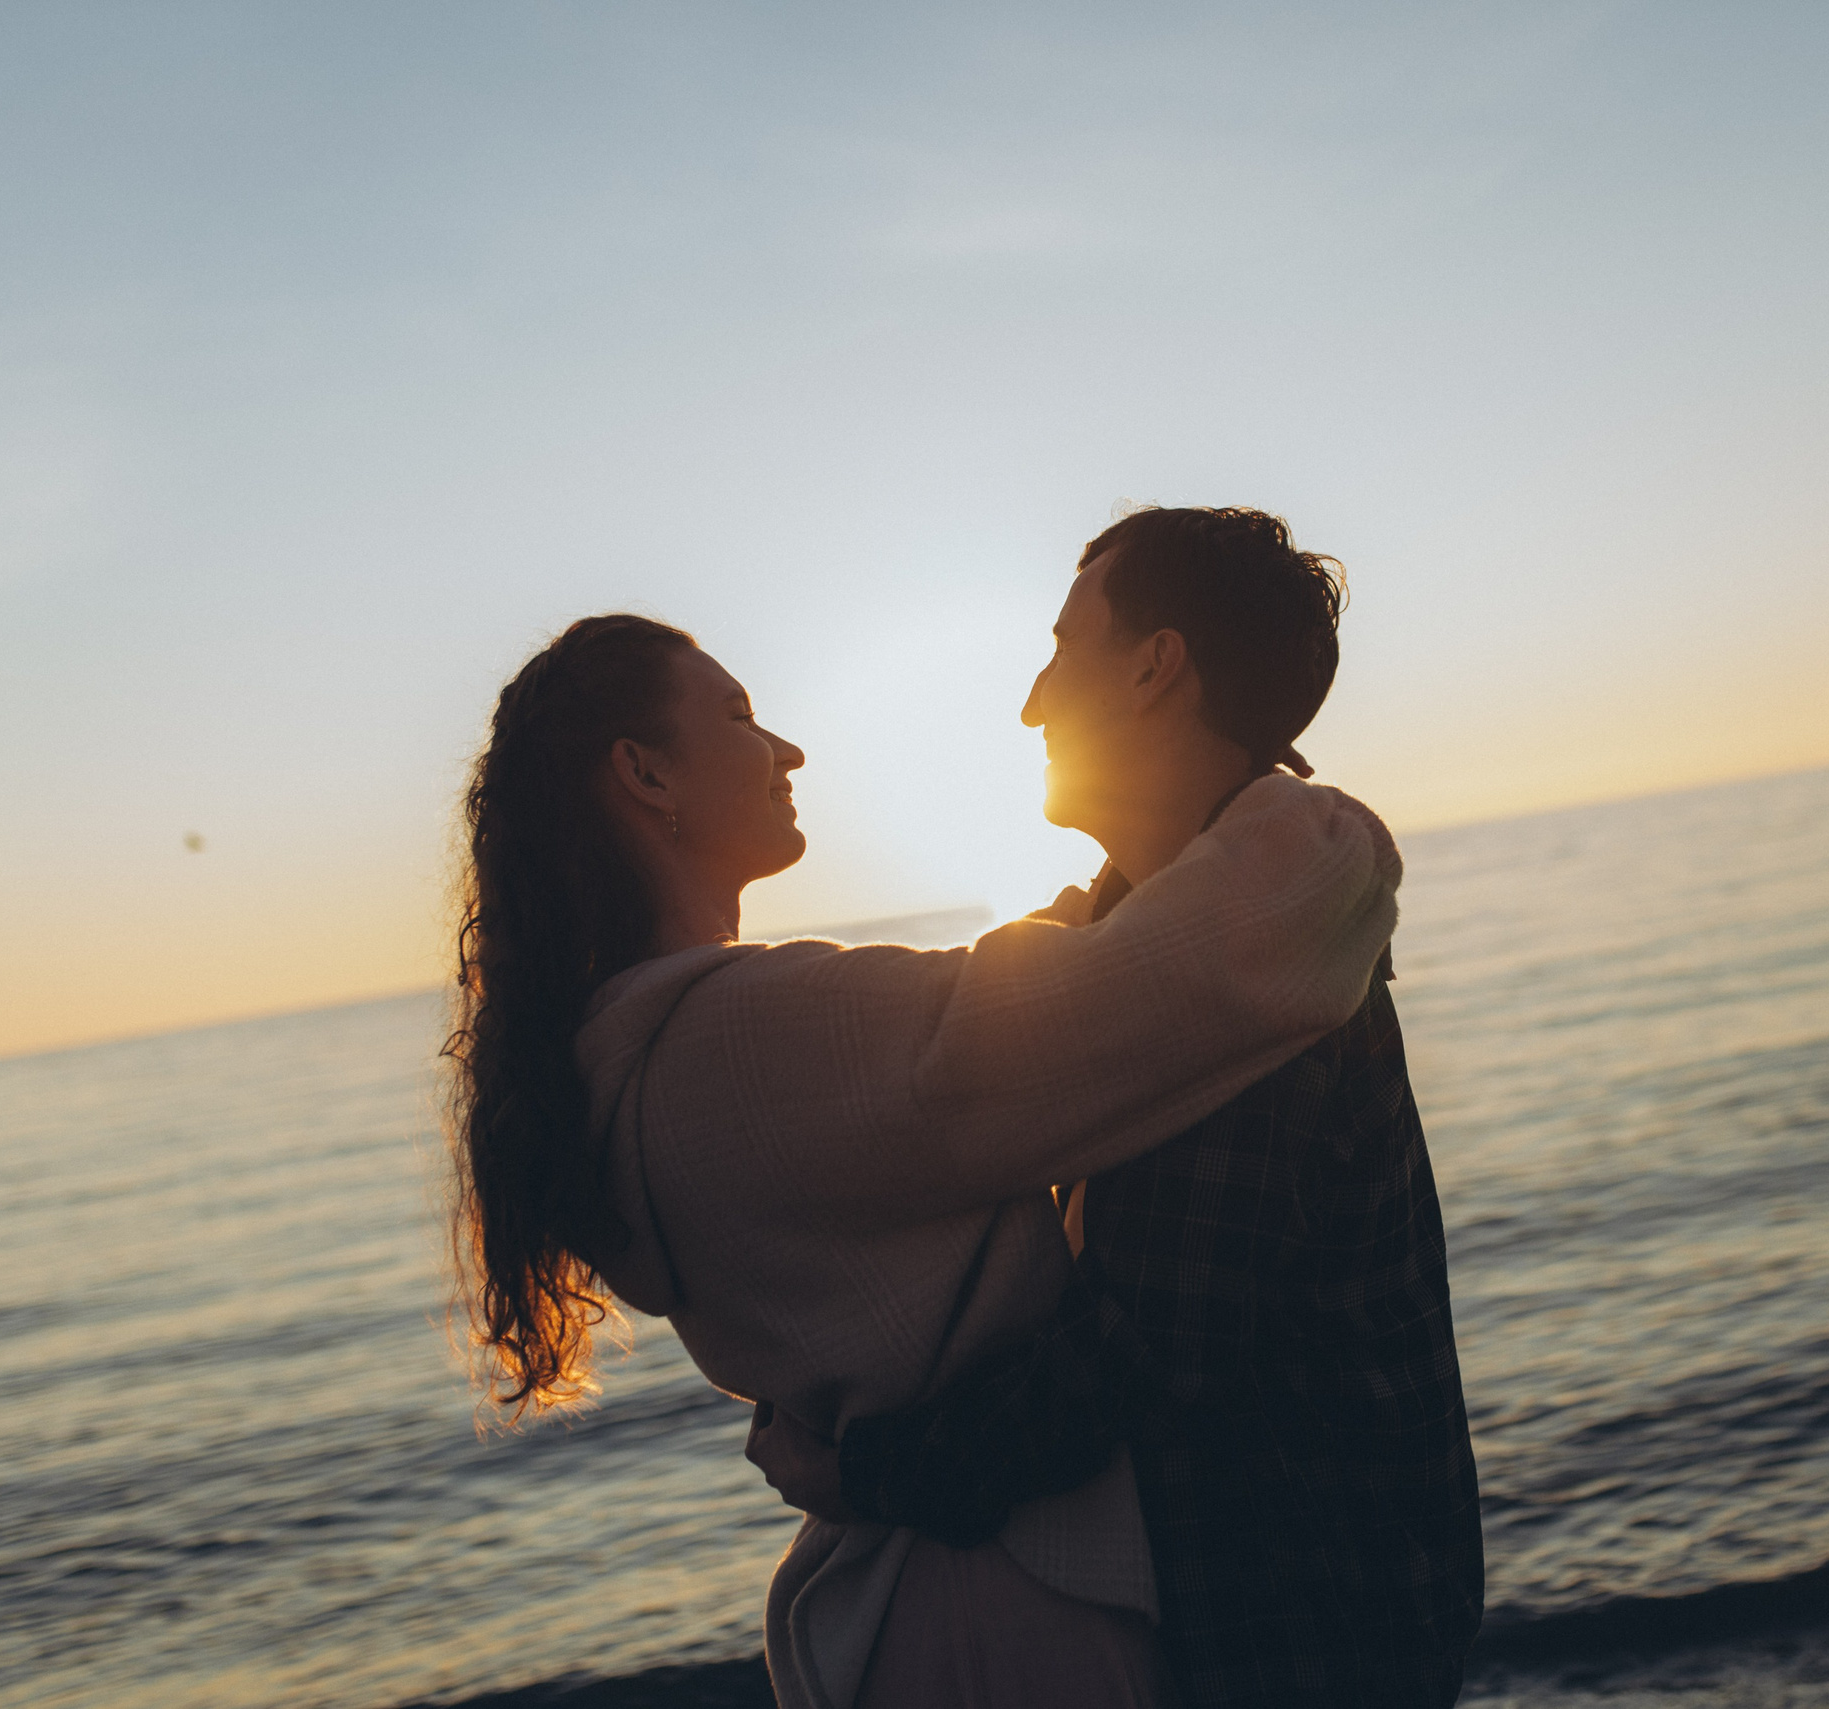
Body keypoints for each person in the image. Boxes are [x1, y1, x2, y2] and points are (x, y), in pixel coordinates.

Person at [442, 611, 1402, 1709]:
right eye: (742, 717)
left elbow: (1029, 1001)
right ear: (646, 773)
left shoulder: (631, 1068)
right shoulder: (744, 1041)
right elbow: (1181, 973)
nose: (787, 751)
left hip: (911, 1613)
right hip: (1008, 1619)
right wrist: (1311, 821)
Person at [770, 509, 1484, 1707]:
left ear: (1155, 667)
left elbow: (1130, 1363)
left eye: (1062, 649)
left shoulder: (1250, 967)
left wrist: (860, 1466)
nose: (1029, 704)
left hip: (1305, 1633)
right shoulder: (1151, 937)